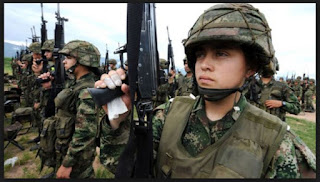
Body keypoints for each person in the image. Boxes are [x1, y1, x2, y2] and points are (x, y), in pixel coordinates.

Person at [94, 3, 315, 178]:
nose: (204, 64)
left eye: (221, 53)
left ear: (251, 67)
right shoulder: (167, 116)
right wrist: (117, 119)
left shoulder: (277, 142)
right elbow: (128, 170)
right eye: (200, 54)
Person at [38, 40, 100, 178]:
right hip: (64, 147)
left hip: (77, 160)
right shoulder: (74, 83)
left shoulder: (87, 90)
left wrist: (68, 164)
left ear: (82, 61)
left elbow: (85, 132)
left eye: (69, 58)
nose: (64, 62)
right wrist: (49, 88)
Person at [246, 57, 301, 122]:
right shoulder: (250, 85)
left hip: (273, 128)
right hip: (252, 126)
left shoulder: (282, 87)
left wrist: (282, 104)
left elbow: (297, 109)